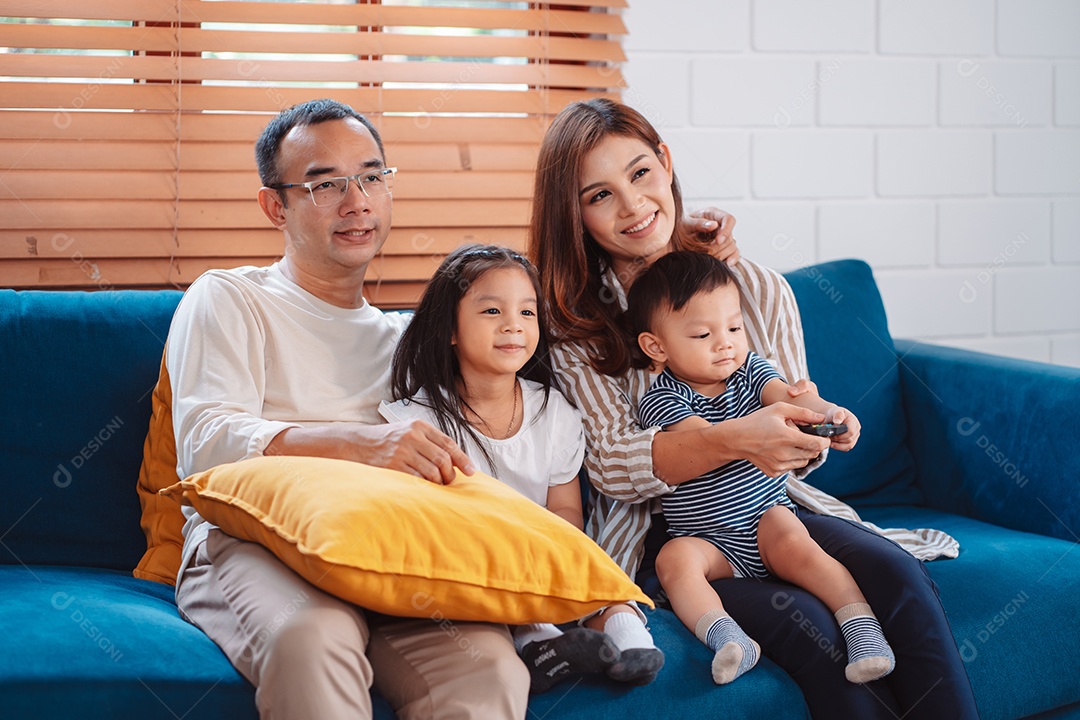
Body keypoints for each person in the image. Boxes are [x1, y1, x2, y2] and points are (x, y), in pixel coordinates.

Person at [528, 97, 979, 719]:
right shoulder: (573, 325)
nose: (632, 206)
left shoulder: (757, 288)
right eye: (598, 195)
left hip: (765, 507)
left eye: (639, 174)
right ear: (573, 214)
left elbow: (795, 426)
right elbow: (614, 469)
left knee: (899, 578)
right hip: (671, 536)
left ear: (664, 163)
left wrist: (817, 428)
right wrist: (739, 437)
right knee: (812, 629)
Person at [168, 99, 530, 720]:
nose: (357, 201)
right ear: (274, 206)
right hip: (255, 542)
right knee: (311, 639)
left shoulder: (409, 341)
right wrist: (355, 445)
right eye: (325, 184)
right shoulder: (230, 297)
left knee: (489, 668)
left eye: (371, 177)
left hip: (391, 549)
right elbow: (204, 440)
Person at [378, 243, 665, 693]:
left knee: (591, 565)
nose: (513, 324)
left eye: (527, 312)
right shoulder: (414, 422)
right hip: (471, 559)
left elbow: (566, 512)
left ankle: (629, 635)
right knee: (501, 586)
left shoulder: (554, 412)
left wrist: (548, 550)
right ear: (449, 328)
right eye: (492, 310)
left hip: (542, 543)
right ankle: (539, 641)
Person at [627, 250, 894, 686]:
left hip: (761, 521)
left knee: (800, 544)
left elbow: (791, 398)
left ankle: (863, 630)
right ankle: (728, 637)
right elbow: (703, 439)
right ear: (656, 346)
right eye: (702, 334)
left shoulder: (751, 369)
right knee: (673, 561)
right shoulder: (662, 397)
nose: (725, 343)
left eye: (734, 327)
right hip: (707, 541)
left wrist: (830, 414)